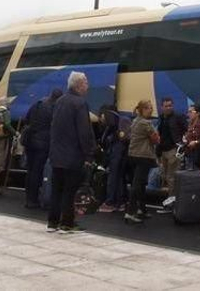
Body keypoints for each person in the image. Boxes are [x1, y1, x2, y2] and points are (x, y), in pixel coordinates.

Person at [47, 72, 94, 234]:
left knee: (56, 189)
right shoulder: (80, 103)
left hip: (57, 154)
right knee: (69, 190)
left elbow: (54, 127)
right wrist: (89, 154)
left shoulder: (60, 101)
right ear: (79, 85)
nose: (88, 86)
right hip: (72, 155)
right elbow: (84, 132)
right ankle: (66, 223)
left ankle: (52, 222)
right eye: (86, 82)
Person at [20, 88, 61, 209]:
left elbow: (27, 120)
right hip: (43, 143)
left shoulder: (36, 104)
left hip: (30, 141)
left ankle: (29, 198)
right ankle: (34, 200)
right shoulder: (53, 109)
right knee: (38, 172)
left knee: (31, 170)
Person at [124, 99, 159, 224]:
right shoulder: (145, 123)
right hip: (143, 156)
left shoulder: (135, 121)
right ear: (142, 109)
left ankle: (141, 209)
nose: (151, 110)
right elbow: (156, 140)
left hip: (133, 155)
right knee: (137, 184)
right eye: (149, 108)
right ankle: (130, 212)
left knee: (141, 183)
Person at [97, 104, 129, 213]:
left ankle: (110, 202)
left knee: (114, 176)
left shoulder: (114, 126)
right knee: (119, 177)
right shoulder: (120, 122)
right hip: (121, 153)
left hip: (117, 153)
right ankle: (120, 202)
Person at [154, 96, 188, 195]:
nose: (169, 108)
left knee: (171, 177)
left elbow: (187, 130)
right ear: (162, 107)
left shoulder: (178, 117)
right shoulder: (161, 118)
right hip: (162, 150)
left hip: (173, 150)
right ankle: (171, 200)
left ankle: (172, 202)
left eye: (170, 105)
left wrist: (181, 144)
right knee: (165, 176)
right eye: (166, 106)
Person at [179, 103, 200, 171]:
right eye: (188, 112)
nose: (188, 114)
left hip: (198, 156)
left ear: (198, 113)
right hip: (189, 154)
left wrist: (196, 142)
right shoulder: (190, 124)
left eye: (190, 112)